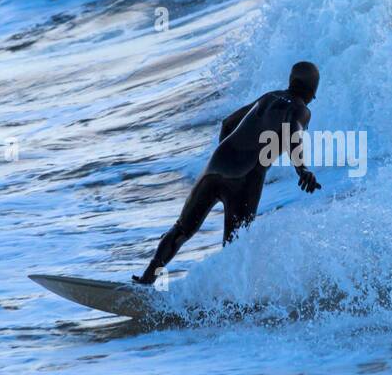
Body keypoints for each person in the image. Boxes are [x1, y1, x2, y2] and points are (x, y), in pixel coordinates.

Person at [133, 61, 323, 284]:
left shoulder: (268, 97)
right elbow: (294, 132)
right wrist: (302, 169)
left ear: (291, 81)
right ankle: (226, 304)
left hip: (216, 166)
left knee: (181, 230)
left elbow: (227, 123)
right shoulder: (301, 109)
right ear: (312, 91)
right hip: (246, 177)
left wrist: (230, 158)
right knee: (235, 246)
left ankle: (146, 280)